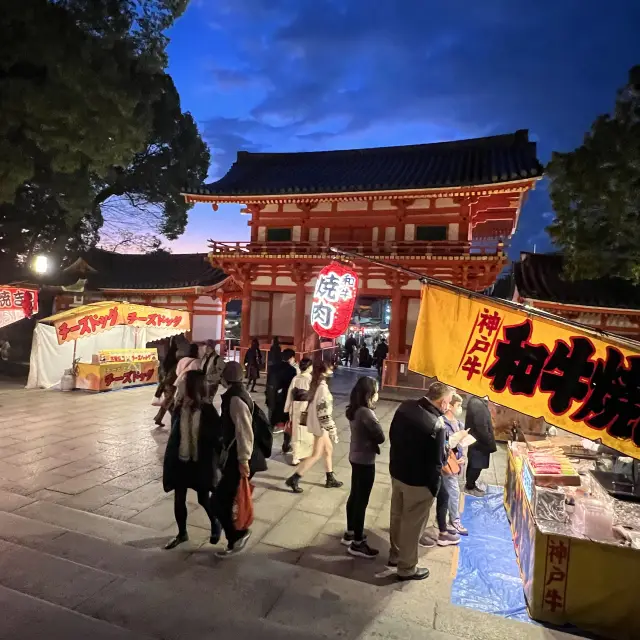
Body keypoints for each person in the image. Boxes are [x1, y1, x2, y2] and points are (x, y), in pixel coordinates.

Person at [388, 382, 452, 581]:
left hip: (397, 472)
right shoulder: (437, 425)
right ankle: (406, 568)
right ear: (442, 402)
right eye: (449, 402)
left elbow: (392, 435)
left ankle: (395, 554)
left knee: (397, 516)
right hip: (419, 482)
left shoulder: (405, 406)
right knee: (412, 525)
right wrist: (434, 487)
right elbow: (437, 461)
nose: (449, 406)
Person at [162, 370, 223, 549]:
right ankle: (182, 533)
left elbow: (216, 438)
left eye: (184, 382)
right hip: (181, 460)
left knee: (203, 499)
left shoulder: (208, 410)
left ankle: (215, 523)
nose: (180, 384)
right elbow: (174, 434)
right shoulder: (180, 407)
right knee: (179, 498)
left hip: (200, 462)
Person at [215, 361, 255, 557]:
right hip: (234, 459)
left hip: (236, 460)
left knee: (218, 502)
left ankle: (237, 536)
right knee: (225, 500)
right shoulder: (238, 394)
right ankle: (237, 534)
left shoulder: (235, 399)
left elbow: (244, 432)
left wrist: (244, 460)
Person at [343, 376, 385, 559]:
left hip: (355, 455)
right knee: (362, 500)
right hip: (365, 459)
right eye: (376, 391)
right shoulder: (366, 413)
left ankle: (350, 532)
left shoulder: (355, 410)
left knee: (355, 495)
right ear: (369, 393)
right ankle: (358, 542)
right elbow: (380, 436)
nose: (378, 394)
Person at [285, 362, 343, 492]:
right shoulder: (322, 388)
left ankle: (330, 477)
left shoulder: (316, 385)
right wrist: (332, 429)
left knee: (328, 450)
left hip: (318, 424)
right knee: (316, 454)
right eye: (330, 369)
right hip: (320, 425)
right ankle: (294, 478)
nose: (332, 371)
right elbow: (324, 412)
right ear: (324, 372)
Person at [440, 393, 468, 536]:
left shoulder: (458, 423)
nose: (460, 409)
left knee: (448, 493)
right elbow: (445, 444)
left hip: (456, 464)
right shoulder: (442, 423)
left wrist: (461, 455)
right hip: (447, 464)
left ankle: (445, 521)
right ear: (450, 406)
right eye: (458, 405)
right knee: (453, 492)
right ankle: (454, 521)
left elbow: (459, 445)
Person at [284, 358, 314, 465]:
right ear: (309, 367)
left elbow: (290, 394)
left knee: (296, 432)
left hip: (296, 406)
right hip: (307, 407)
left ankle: (296, 456)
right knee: (307, 431)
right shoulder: (311, 379)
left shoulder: (295, 378)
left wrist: (287, 408)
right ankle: (305, 453)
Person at [465, 396, 496, 497]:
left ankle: (471, 484)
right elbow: (481, 427)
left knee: (474, 465)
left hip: (477, 442)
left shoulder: (477, 402)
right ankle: (470, 487)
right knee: (476, 466)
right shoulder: (477, 404)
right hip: (479, 444)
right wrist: (489, 441)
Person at [266, 349, 297, 450]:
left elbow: (268, 384)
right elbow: (291, 388)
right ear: (291, 358)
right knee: (287, 423)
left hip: (272, 399)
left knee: (271, 423)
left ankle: (267, 444)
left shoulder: (272, 368)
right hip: (284, 401)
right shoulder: (292, 370)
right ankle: (286, 444)